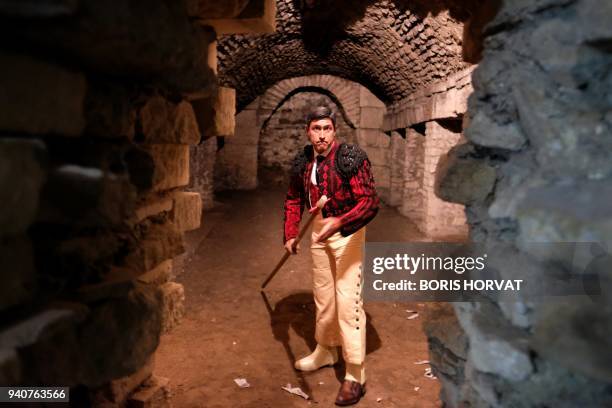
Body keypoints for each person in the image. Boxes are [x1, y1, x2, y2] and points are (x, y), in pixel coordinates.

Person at [283, 106, 379, 406]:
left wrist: (340, 222)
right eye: (316, 128)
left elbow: (369, 202)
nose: (321, 134)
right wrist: (289, 233)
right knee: (324, 296)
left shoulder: (352, 158)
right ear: (308, 131)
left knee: (348, 300)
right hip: (317, 232)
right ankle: (326, 349)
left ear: (334, 129)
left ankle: (355, 374)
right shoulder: (302, 161)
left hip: (348, 231)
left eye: (326, 128)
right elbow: (294, 198)